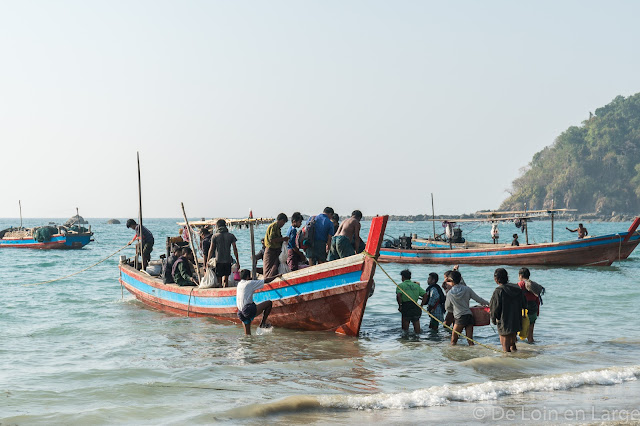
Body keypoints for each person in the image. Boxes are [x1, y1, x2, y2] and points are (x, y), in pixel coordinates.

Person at [444, 270, 489, 346]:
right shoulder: (467, 289)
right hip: (469, 316)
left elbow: (448, 308)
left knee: (453, 341)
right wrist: (489, 304)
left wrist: (454, 309)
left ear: (451, 281)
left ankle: (452, 357)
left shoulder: (450, 293)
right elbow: (479, 299)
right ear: (460, 278)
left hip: (459, 318)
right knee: (470, 341)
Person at [490, 268, 527, 352]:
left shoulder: (498, 291)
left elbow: (494, 308)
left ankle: (507, 363)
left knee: (505, 348)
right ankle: (515, 360)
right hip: (516, 319)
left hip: (504, 322)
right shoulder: (517, 288)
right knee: (513, 344)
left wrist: (493, 319)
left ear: (496, 279)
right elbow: (524, 303)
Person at [236, 269, 281, 335]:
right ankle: (262, 323)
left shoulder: (239, 284)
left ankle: (247, 345)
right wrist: (277, 276)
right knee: (268, 303)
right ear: (248, 277)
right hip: (248, 310)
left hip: (240, 313)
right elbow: (266, 281)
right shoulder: (249, 283)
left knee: (248, 335)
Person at [207, 219, 239, 288]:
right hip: (228, 260)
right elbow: (235, 249)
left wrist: (208, 261)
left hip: (219, 260)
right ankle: (226, 290)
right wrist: (237, 261)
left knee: (219, 280)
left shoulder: (215, 236)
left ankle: (221, 290)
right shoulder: (231, 236)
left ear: (217, 226)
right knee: (226, 280)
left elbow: (211, 249)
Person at [517, 267, 543, 343]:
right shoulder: (533, 285)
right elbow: (537, 300)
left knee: (515, 333)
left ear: (520, 276)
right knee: (530, 335)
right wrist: (537, 312)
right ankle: (532, 349)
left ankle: (515, 350)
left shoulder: (520, 284)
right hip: (533, 310)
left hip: (523, 311)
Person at [396, 269, 425, 333]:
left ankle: (406, 341)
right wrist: (422, 305)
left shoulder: (401, 285)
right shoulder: (416, 285)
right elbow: (425, 294)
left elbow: (398, 295)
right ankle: (418, 339)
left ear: (403, 277)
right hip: (415, 305)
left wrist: (400, 305)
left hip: (406, 306)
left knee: (405, 330)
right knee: (416, 324)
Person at [264, 213, 289, 278]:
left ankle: (274, 278)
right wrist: (283, 239)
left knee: (275, 267)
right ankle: (268, 280)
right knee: (269, 268)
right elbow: (272, 239)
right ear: (280, 220)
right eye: (283, 222)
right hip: (271, 251)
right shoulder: (273, 226)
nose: (283, 225)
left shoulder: (277, 228)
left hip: (276, 250)